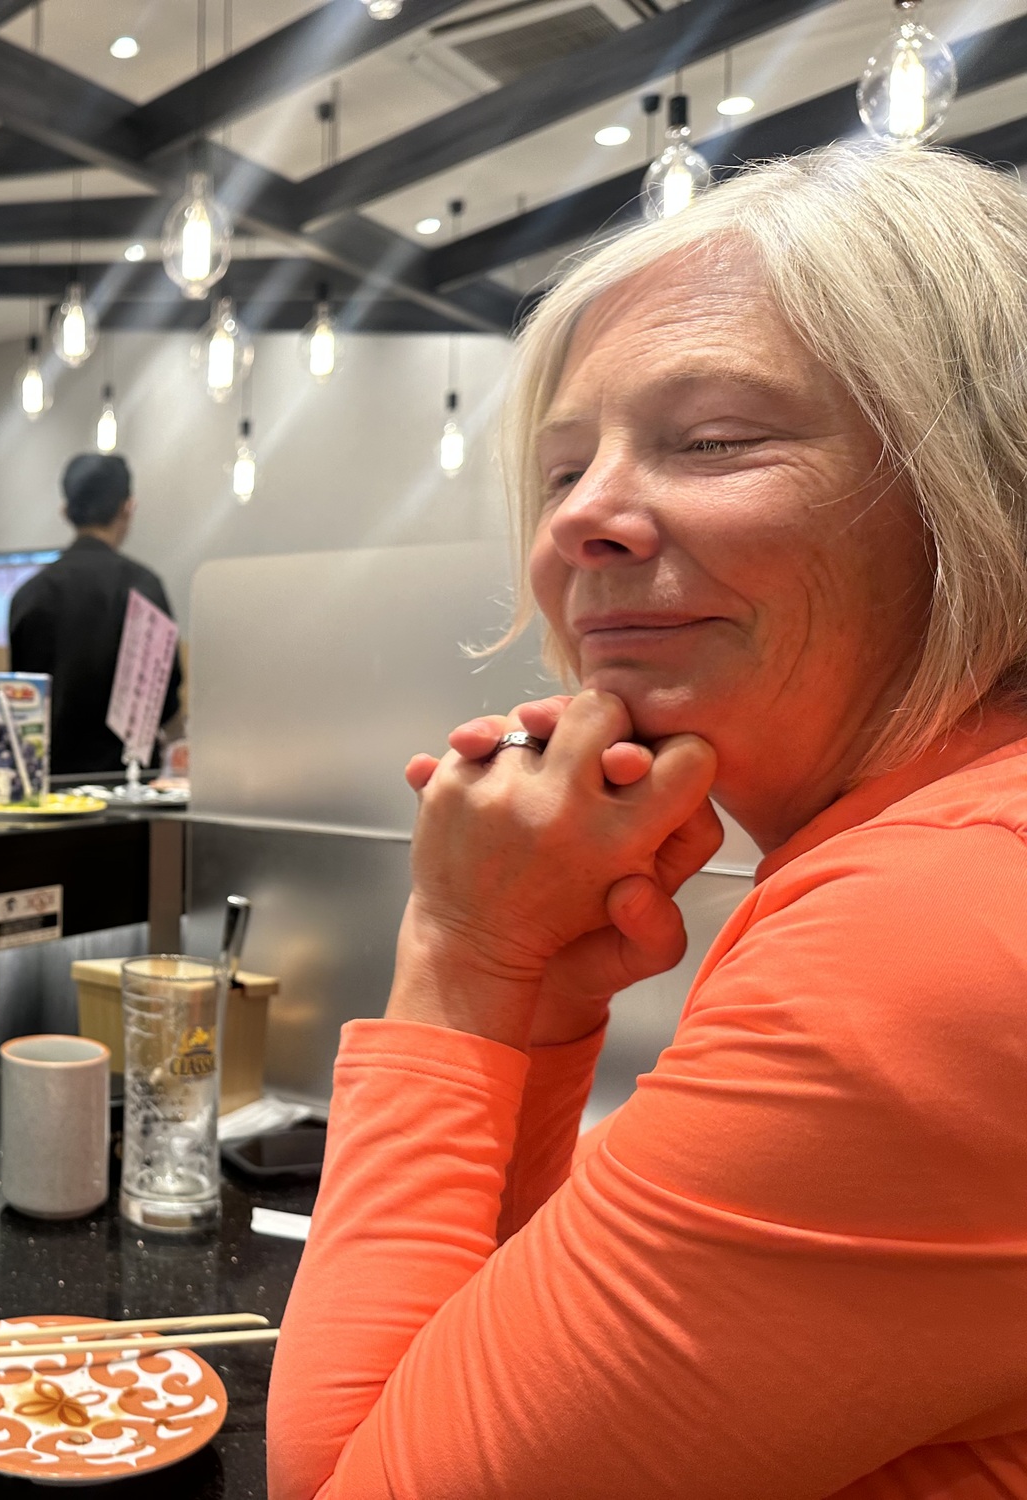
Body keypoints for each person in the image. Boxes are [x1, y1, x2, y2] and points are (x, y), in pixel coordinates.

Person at [268, 144, 1027, 1498]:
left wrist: (456, 957)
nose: (583, 521)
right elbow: (504, 1369)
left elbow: (346, 1483)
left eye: (714, 440)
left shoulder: (924, 948)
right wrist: (542, 990)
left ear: (977, 485)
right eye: (562, 470)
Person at [8, 453, 183, 774]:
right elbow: (166, 700)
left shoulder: (29, 594)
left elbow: (21, 704)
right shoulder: (144, 587)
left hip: (49, 787)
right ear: (128, 508)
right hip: (128, 784)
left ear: (65, 512)